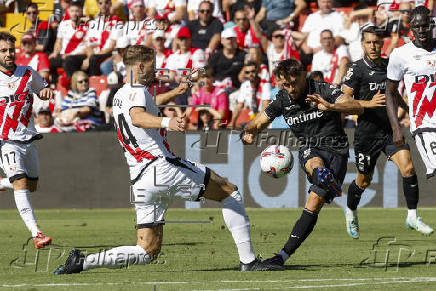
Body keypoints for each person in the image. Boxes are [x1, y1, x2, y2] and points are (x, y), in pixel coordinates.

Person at [54, 45, 282, 274]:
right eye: (153, 66)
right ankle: (249, 261)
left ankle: (83, 262)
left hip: (140, 180)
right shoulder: (138, 93)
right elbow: (138, 116)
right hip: (161, 167)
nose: (156, 71)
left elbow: (145, 105)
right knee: (229, 191)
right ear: (140, 66)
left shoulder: (122, 93)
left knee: (146, 251)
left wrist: (175, 92)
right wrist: (168, 123)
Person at [241, 59, 362, 266]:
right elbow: (260, 120)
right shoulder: (282, 99)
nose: (290, 89)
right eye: (285, 85)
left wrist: (331, 106)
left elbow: (356, 106)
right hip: (310, 148)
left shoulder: (322, 89)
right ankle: (322, 176)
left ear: (303, 76)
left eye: (293, 83)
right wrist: (249, 131)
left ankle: (283, 255)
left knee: (313, 204)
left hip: (337, 150)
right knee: (312, 158)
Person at [342, 26, 433, 239]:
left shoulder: (389, 65)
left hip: (390, 131)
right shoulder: (356, 70)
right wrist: (368, 103)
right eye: (369, 42)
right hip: (366, 135)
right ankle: (351, 210)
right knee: (364, 180)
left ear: (382, 43)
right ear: (362, 44)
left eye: (376, 42)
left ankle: (412, 216)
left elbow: (391, 94)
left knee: (408, 168)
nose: (373, 46)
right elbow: (342, 101)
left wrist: (407, 107)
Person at [0, 32, 54, 249]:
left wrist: (45, 91)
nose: (8, 54)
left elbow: (41, 89)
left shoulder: (28, 73)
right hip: (6, 141)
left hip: (28, 138)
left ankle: (4, 182)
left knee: (31, 186)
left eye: (11, 50)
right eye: (3, 50)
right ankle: (37, 234)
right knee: (21, 184)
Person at [386, 6, 436, 180]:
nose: (421, 30)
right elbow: (390, 93)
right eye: (417, 26)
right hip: (425, 124)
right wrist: (396, 128)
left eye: (425, 25)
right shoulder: (400, 54)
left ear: (432, 24)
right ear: (411, 28)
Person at [49, 1, 89, 81]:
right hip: (64, 55)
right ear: (68, 12)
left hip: (78, 55)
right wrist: (55, 52)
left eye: (77, 11)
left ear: (81, 12)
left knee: (68, 61)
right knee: (49, 60)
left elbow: (88, 47)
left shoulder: (87, 26)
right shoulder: (63, 24)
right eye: (72, 11)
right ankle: (54, 83)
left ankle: (71, 85)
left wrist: (69, 54)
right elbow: (58, 41)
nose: (74, 13)